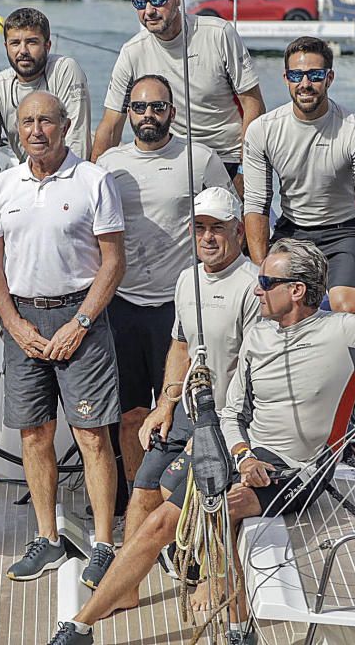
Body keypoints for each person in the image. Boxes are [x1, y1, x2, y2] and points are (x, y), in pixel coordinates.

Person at [49, 239, 355, 645]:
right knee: (160, 518)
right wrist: (242, 454)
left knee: (219, 508)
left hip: (298, 473)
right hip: (243, 456)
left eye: (267, 281)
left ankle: (237, 629)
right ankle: (80, 626)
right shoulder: (259, 337)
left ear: (297, 290)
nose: (256, 289)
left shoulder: (344, 330)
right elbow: (232, 413)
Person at [0, 92, 126, 590]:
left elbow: (112, 262)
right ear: (16, 129)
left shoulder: (93, 181)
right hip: (23, 319)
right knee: (34, 435)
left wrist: (81, 323)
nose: (36, 130)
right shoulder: (4, 185)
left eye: (46, 120)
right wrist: (13, 324)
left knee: (91, 435)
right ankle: (47, 538)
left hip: (80, 317)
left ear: (65, 126)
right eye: (27, 121)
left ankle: (104, 543)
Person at [97, 74, 234, 493]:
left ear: (172, 112)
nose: (148, 115)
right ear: (129, 114)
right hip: (123, 305)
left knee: (184, 409)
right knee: (133, 414)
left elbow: (229, 221)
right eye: (139, 108)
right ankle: (139, 501)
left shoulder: (201, 159)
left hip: (181, 307)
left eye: (157, 107)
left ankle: (181, 499)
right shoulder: (108, 165)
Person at [129, 187, 259, 590]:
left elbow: (253, 371)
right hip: (187, 407)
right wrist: (165, 405)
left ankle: (212, 579)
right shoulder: (186, 279)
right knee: (143, 486)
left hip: (230, 417)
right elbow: (180, 345)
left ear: (238, 231)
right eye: (200, 228)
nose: (207, 237)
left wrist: (211, 429)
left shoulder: (253, 286)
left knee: (186, 489)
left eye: (217, 228)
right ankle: (127, 584)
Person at [243, 36, 355, 315]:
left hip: (343, 233)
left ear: (330, 78)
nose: (305, 84)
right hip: (293, 232)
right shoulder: (262, 130)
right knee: (278, 306)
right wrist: (261, 267)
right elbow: (256, 204)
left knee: (347, 309)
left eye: (315, 75)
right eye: (297, 75)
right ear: (286, 78)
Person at [92, 0, 264, 194]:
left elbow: (253, 104)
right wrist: (93, 184)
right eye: (140, 3)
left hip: (227, 158)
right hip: (173, 159)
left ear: (178, 1)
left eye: (157, 0)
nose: (148, 11)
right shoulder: (131, 52)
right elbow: (111, 126)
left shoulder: (219, 34)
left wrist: (245, 169)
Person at [0, 7, 92, 234]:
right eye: (15, 43)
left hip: (68, 179)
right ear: (6, 46)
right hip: (26, 179)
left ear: (47, 45)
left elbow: (76, 140)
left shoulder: (65, 70)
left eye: (32, 42)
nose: (23, 51)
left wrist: (66, 201)